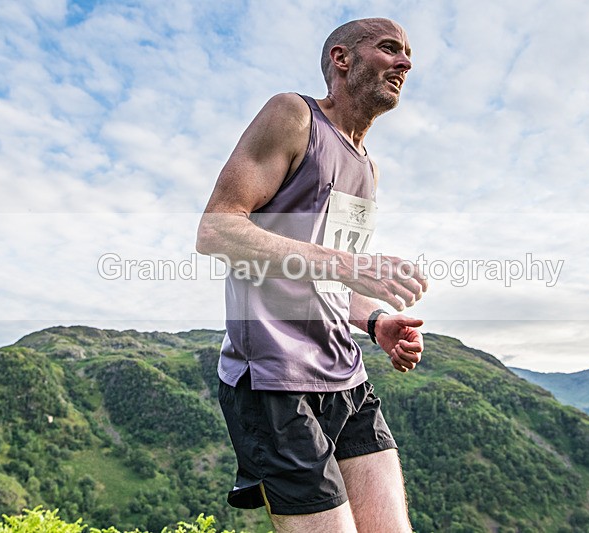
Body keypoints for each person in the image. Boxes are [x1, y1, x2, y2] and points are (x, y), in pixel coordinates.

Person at [196, 17, 427, 532]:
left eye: (408, 53)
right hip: (274, 381)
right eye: (390, 49)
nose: (406, 63)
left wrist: (375, 322)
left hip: (347, 375)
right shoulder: (293, 115)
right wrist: (347, 265)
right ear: (342, 59)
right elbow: (215, 230)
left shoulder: (368, 168)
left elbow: (324, 280)